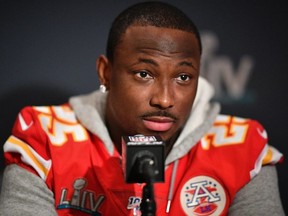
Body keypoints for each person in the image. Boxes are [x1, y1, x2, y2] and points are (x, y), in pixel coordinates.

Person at [0, 1, 285, 216]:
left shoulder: (240, 147)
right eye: (144, 74)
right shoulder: (44, 137)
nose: (164, 99)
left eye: (183, 77)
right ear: (105, 72)